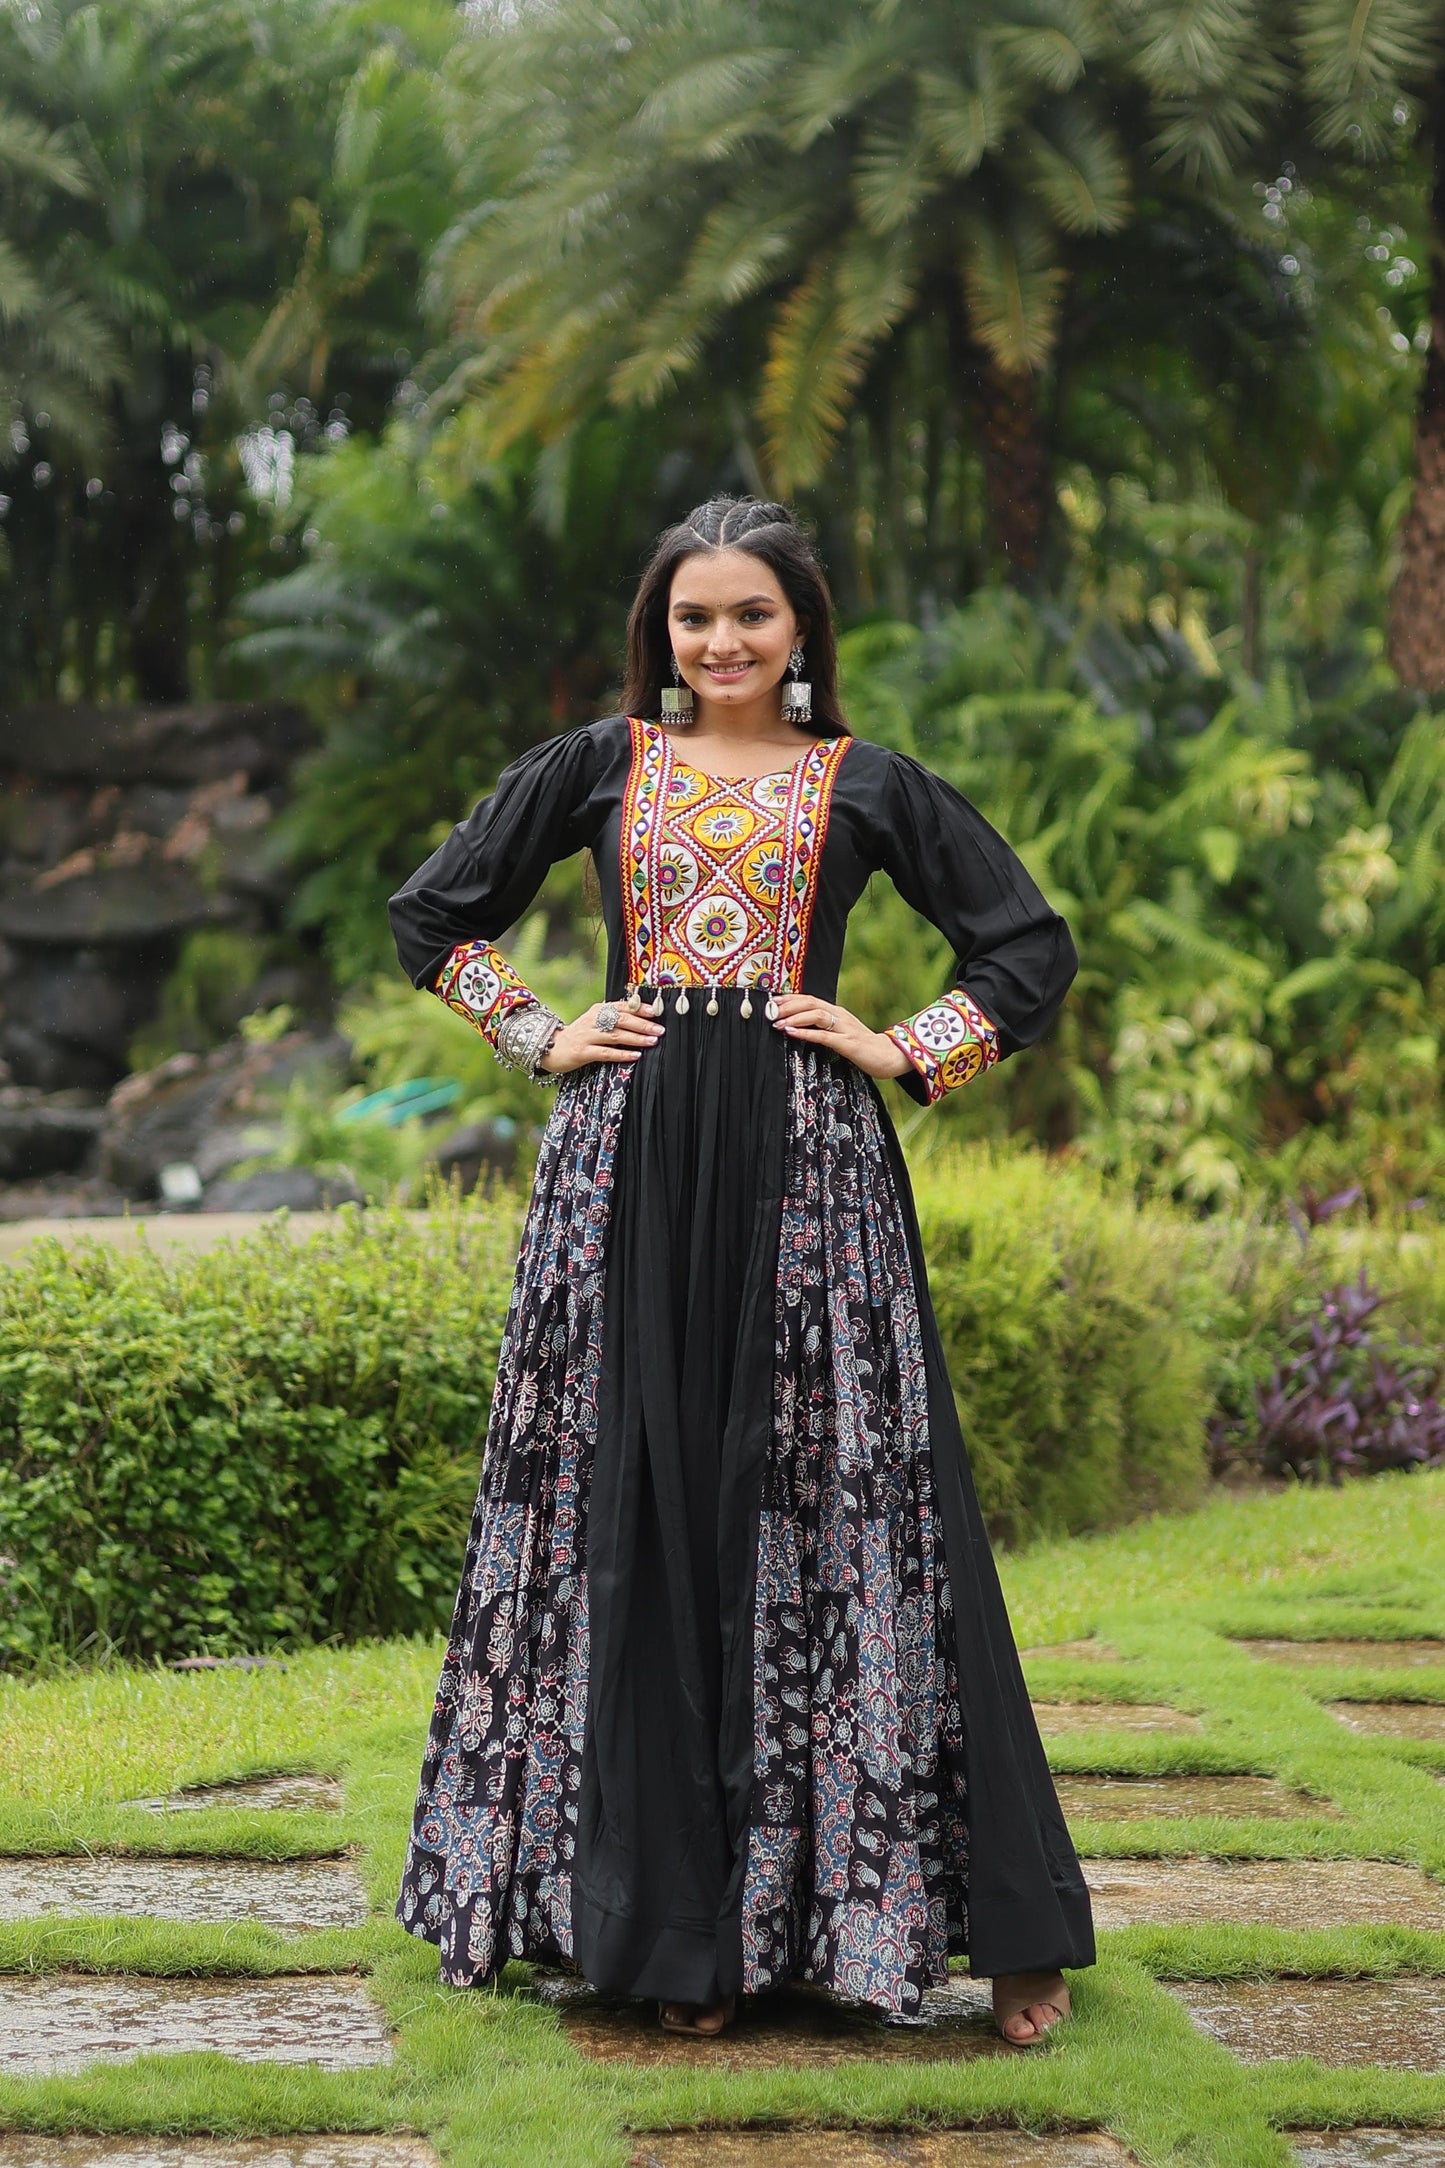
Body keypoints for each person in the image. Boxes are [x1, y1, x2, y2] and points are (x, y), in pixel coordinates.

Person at [390, 496, 1094, 2047]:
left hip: (812, 1186)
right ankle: (667, 1939)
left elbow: (1025, 946)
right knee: (630, 1507)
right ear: (660, 632)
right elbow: (435, 916)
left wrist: (906, 1046)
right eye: (692, 619)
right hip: (623, 1170)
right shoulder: (593, 768)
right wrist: (544, 1033)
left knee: (847, 1514)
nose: (718, 644)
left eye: (750, 618)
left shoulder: (869, 784)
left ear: (800, 632)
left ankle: (946, 1925)